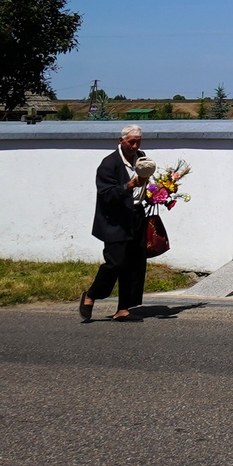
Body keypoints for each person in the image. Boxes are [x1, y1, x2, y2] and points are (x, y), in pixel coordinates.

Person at [80, 124, 154, 322]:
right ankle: (91, 295)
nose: (135, 146)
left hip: (137, 215)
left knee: (134, 263)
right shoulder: (109, 164)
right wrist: (128, 186)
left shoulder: (142, 157)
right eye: (131, 142)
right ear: (121, 141)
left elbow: (147, 183)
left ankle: (123, 308)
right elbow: (106, 194)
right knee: (116, 263)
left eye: (138, 142)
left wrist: (157, 192)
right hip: (115, 219)